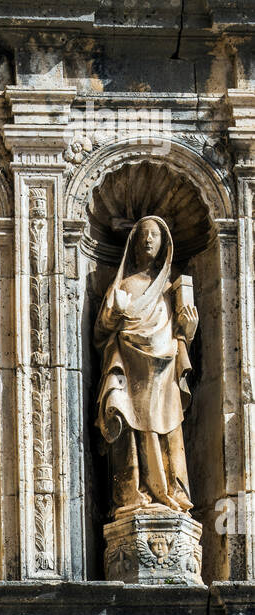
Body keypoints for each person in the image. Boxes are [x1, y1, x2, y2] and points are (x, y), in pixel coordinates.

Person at [95, 215, 199, 518]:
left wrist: (188, 331)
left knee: (168, 429)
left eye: (154, 235)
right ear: (133, 242)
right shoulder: (123, 286)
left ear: (164, 242)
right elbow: (101, 334)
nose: (148, 240)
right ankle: (133, 494)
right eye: (143, 235)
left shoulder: (170, 286)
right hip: (129, 366)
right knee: (127, 425)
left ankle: (170, 493)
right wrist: (114, 315)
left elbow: (180, 335)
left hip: (164, 372)